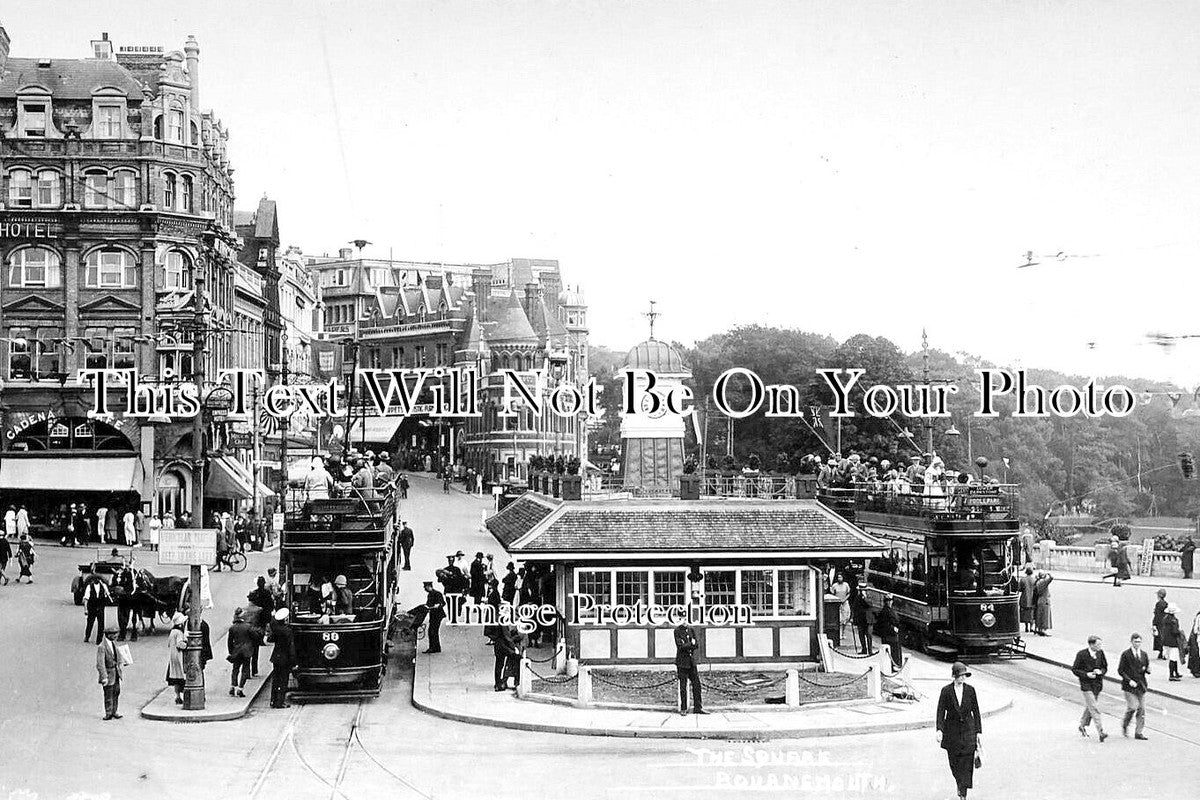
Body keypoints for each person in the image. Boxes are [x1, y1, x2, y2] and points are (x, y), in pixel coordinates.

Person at [935, 661, 981, 800]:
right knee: (954, 763)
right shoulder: (946, 691)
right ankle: (959, 783)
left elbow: (976, 711)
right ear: (954, 676)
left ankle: (963, 792)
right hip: (952, 731)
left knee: (966, 763)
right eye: (961, 675)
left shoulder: (970, 690)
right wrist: (939, 729)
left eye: (965, 675)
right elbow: (940, 710)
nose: (963, 678)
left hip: (968, 730)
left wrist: (978, 732)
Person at [1071, 634, 1109, 741]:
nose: (1100, 647)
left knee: (1091, 706)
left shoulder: (1100, 653)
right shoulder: (1082, 654)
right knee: (1094, 707)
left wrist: (1100, 671)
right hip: (1086, 684)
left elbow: (1105, 667)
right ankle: (1100, 731)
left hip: (1097, 685)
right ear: (1091, 644)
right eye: (1098, 644)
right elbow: (1075, 669)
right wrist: (1086, 674)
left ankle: (1082, 725)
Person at [1118, 632, 1151, 739]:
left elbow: (1146, 667)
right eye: (1135, 642)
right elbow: (1121, 670)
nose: (1137, 644)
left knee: (1141, 708)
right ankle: (1125, 724)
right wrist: (1128, 680)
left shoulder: (1144, 654)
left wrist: (1148, 670)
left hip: (1140, 685)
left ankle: (1138, 732)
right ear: (1131, 642)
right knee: (1132, 707)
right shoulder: (1126, 654)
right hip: (1129, 686)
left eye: (1139, 642)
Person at [674, 620, 706, 715]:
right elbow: (680, 646)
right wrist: (690, 643)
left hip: (691, 662)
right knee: (683, 686)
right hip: (682, 663)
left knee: (697, 685)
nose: (684, 621)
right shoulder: (677, 630)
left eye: (686, 618)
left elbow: (696, 645)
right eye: (682, 618)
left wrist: (688, 644)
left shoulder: (691, 629)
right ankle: (683, 708)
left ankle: (698, 707)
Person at [268, 607, 296, 708]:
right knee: (283, 680)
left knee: (275, 680)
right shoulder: (288, 631)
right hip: (285, 659)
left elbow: (270, 639)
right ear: (285, 619)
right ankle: (280, 702)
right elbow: (291, 647)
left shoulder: (276, 630)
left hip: (276, 657)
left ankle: (273, 701)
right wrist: (294, 662)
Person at [227, 608, 258, 698]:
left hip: (236, 651)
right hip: (247, 651)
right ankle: (240, 688)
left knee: (235, 669)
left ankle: (233, 686)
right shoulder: (248, 627)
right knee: (245, 669)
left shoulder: (232, 628)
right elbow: (255, 637)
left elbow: (229, 642)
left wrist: (231, 651)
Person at [96, 624, 124, 720]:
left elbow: (118, 656)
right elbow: (100, 664)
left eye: (116, 633)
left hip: (116, 672)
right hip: (108, 673)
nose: (116, 635)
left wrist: (122, 662)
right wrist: (104, 677)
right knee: (108, 694)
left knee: (116, 692)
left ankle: (115, 711)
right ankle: (108, 712)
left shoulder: (114, 643)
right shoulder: (102, 647)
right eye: (114, 634)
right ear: (108, 635)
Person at [874, 594, 903, 670]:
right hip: (888, 635)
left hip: (893, 635)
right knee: (891, 650)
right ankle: (893, 665)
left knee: (895, 650)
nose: (889, 602)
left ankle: (896, 664)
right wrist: (893, 628)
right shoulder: (885, 611)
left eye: (890, 601)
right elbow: (883, 623)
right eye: (888, 601)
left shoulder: (891, 610)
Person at [83, 573, 113, 643]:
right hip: (92, 607)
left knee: (101, 624)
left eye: (98, 579)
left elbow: (107, 595)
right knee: (90, 623)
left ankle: (99, 639)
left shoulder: (104, 586)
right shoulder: (89, 587)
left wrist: (107, 595)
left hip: (100, 607)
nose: (96, 580)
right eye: (95, 579)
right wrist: (86, 609)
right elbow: (86, 599)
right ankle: (87, 636)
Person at [112, 564, 139, 642]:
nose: (126, 569)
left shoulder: (133, 575)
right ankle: (122, 632)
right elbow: (116, 583)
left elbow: (133, 585)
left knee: (134, 615)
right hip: (123, 597)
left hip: (131, 597)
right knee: (121, 616)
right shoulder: (120, 575)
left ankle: (134, 631)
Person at [493, 624, 522, 692]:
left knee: (499, 664)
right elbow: (506, 636)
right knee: (515, 658)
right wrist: (513, 647)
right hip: (504, 645)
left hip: (499, 644)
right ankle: (503, 682)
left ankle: (498, 682)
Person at [167, 612, 188, 704]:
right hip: (179, 656)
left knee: (175, 676)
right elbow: (180, 644)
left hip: (172, 656)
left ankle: (177, 696)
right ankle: (183, 695)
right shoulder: (179, 632)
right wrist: (187, 644)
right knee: (181, 676)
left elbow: (169, 644)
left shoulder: (172, 632)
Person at [1161, 603, 1185, 682]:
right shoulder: (1174, 620)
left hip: (1166, 641)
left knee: (1173, 657)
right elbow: (1174, 631)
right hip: (1173, 641)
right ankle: (1172, 675)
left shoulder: (1165, 618)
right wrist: (1179, 632)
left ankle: (1176, 672)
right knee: (1173, 658)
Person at [422, 580, 445, 654]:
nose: (424, 589)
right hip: (434, 615)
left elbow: (442, 603)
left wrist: (438, 605)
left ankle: (433, 648)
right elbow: (428, 604)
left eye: (425, 587)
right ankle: (436, 647)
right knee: (433, 631)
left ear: (429, 587)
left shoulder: (437, 594)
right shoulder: (430, 594)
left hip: (437, 615)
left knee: (432, 631)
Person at [849, 586, 873, 655]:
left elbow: (869, 604)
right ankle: (864, 649)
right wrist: (852, 617)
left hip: (868, 619)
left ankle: (870, 650)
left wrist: (865, 597)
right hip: (860, 619)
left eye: (863, 590)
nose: (861, 591)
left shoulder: (869, 597)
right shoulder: (857, 597)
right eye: (860, 590)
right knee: (861, 635)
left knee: (869, 635)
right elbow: (854, 607)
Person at [830, 573, 851, 642]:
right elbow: (832, 594)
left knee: (845, 618)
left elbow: (848, 593)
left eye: (841, 577)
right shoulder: (834, 586)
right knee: (838, 618)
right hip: (837, 603)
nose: (839, 579)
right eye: (838, 577)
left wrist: (844, 599)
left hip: (844, 602)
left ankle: (843, 632)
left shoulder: (846, 585)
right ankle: (838, 633)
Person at [1033, 571, 1053, 636]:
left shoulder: (1037, 582)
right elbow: (1051, 578)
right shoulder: (1044, 582)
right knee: (1044, 616)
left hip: (1040, 599)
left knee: (1039, 615)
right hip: (1045, 600)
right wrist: (1048, 574)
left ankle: (1039, 629)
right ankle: (1042, 630)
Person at [1019, 567, 1037, 634]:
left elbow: (1020, 589)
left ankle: (1026, 627)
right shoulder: (1034, 580)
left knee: (1025, 613)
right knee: (1031, 613)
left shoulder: (1023, 579)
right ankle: (1031, 627)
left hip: (1024, 598)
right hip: (1032, 598)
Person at [1152, 589, 1168, 658]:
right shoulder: (1165, 603)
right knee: (1163, 636)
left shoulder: (1158, 604)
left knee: (1159, 637)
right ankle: (1163, 651)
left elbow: (1157, 614)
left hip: (1159, 622)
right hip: (1164, 622)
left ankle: (1161, 651)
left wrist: (1154, 623)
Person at [1187, 608, 1200, 679]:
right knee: (1196, 655)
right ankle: (1196, 670)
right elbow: (1195, 630)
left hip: (1195, 637)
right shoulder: (1198, 617)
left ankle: (1195, 669)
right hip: (1197, 638)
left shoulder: (1198, 616)